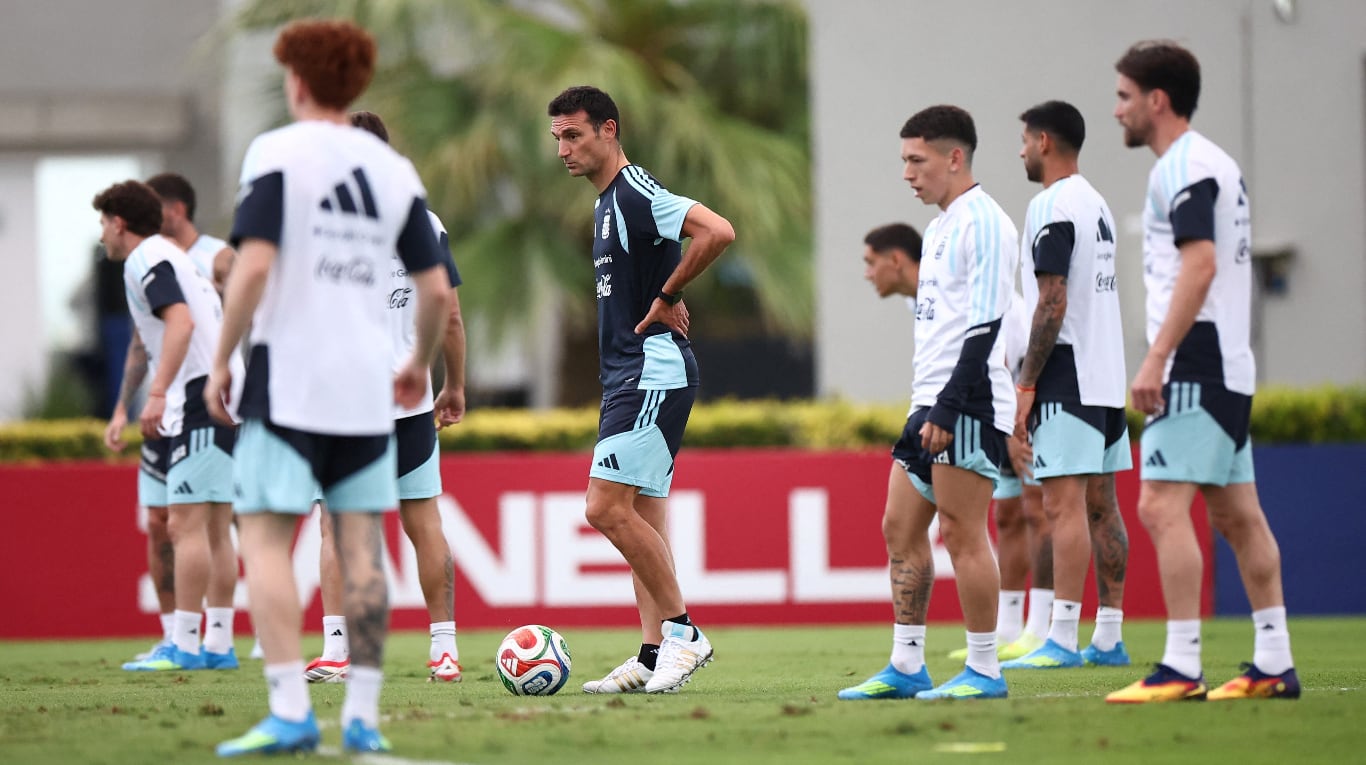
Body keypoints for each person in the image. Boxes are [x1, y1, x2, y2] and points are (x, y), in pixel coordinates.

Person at [206, 19, 451, 756]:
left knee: (265, 538)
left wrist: (222, 359)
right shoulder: (394, 172)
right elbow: (436, 291)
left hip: (290, 381)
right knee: (363, 542)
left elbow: (253, 266)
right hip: (370, 391)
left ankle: (290, 710)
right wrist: (420, 363)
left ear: (297, 82)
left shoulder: (276, 152)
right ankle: (363, 720)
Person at [1106, 40, 1297, 702]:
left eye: (1124, 96)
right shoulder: (1215, 161)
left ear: (1157, 100)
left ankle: (1182, 666)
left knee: (1159, 505)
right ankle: (1274, 662)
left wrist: (1157, 355)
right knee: (1239, 516)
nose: (1117, 110)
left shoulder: (1182, 166)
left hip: (1195, 360)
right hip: (1228, 362)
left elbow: (1201, 262)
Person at [547, 85, 734, 695]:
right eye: (557, 138)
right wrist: (663, 290)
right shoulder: (605, 203)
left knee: (603, 508)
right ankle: (655, 654)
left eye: (573, 135)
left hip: (650, 373)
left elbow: (717, 231)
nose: (563, 149)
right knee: (642, 520)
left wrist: (668, 294)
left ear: (609, 130)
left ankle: (684, 632)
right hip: (629, 375)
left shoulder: (635, 192)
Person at [840, 105, 1017, 701]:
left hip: (965, 405)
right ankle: (907, 664)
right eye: (904, 161)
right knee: (899, 526)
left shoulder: (984, 223)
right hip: (929, 403)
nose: (907, 173)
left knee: (964, 534)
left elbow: (986, 325)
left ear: (954, 157)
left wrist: (949, 407)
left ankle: (985, 669)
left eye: (917, 160)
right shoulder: (940, 227)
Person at [304, 109, 468, 686]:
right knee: (424, 523)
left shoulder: (322, 222)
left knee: (336, 526)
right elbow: (449, 314)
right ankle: (444, 650)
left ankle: (338, 652)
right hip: (410, 402)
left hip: (343, 405)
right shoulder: (425, 220)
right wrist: (454, 384)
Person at [1001, 100, 1133, 671]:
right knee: (1102, 506)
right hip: (1107, 375)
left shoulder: (1051, 204)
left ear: (1045, 141)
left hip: (1067, 373)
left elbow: (1051, 299)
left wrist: (1026, 384)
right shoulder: (1096, 202)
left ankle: (1061, 638)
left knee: (1063, 506)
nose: (1021, 152)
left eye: (1024, 141)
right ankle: (1109, 636)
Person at [92, 180, 243, 673]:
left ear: (119, 223)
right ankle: (217, 644)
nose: (101, 235)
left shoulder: (146, 258)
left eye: (103, 224)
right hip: (219, 392)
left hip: (200, 394)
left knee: (185, 524)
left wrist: (156, 394)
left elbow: (180, 322)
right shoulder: (174, 254)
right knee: (215, 528)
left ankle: (185, 644)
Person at [104, 327, 176, 661]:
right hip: (160, 420)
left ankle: (224, 636)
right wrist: (122, 408)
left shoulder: (209, 290)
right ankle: (174, 635)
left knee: (225, 520)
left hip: (206, 411)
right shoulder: (142, 291)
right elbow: (140, 341)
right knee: (158, 521)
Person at [146, 173, 236, 292]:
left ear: (177, 210)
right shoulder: (150, 260)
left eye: (152, 210)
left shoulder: (219, 255)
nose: (146, 218)